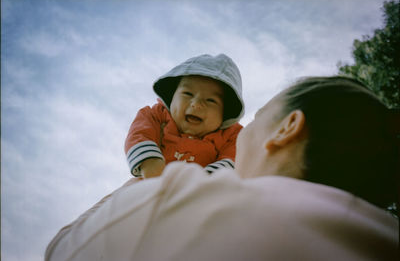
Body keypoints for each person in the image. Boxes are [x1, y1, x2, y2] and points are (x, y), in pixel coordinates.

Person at [45, 76, 399, 261]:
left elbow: (62, 251)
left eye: (257, 119)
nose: (239, 136)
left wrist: (138, 194)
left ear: (287, 127)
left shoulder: (172, 206)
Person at [125, 53, 244, 178]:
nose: (196, 104)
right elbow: (140, 134)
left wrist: (208, 182)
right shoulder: (156, 115)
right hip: (148, 183)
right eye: (187, 93)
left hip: (200, 191)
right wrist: (149, 162)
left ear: (225, 113)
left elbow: (233, 159)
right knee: (119, 196)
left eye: (211, 100)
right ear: (172, 96)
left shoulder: (232, 136)